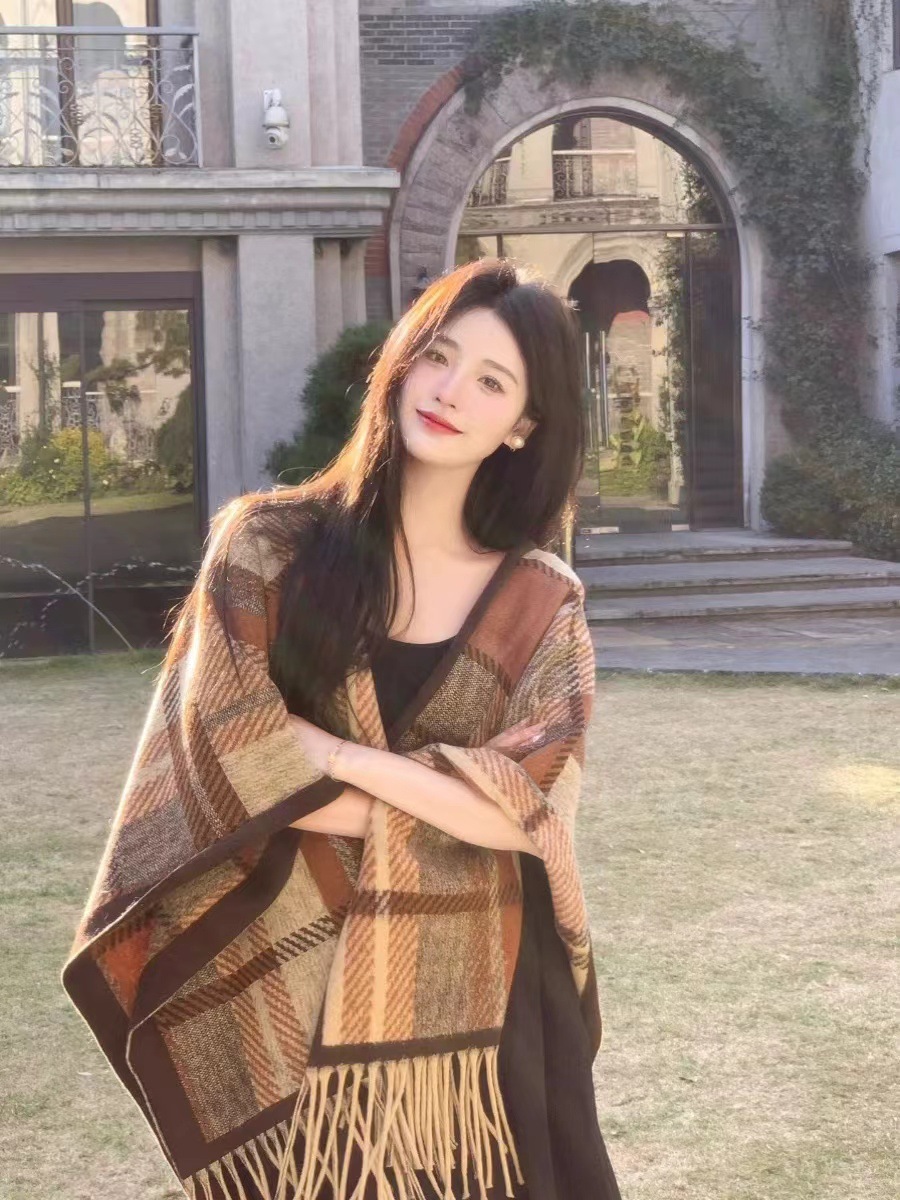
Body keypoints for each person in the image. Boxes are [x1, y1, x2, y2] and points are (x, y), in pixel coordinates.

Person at [61, 257, 622, 1200]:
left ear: (524, 426)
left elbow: (534, 811)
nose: (450, 390)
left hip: (490, 997)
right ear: (400, 361)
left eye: (492, 382)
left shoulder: (542, 599)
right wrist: (449, 798)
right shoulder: (266, 547)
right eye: (437, 356)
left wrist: (329, 755)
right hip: (297, 969)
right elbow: (231, 763)